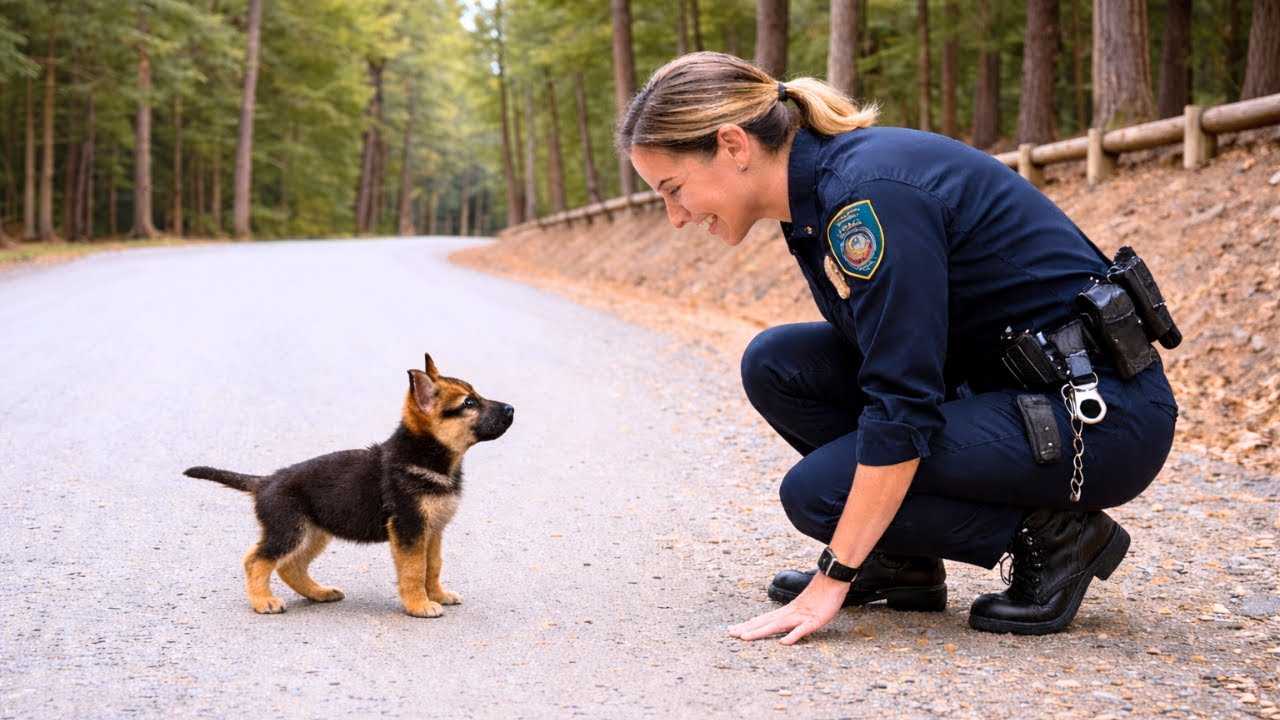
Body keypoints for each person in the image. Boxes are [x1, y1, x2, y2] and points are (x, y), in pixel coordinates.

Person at [617, 52, 1179, 644]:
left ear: (734, 146)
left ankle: (1058, 537)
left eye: (673, 189)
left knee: (818, 495)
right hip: (1007, 389)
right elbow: (894, 358)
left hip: (1098, 417)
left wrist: (835, 572)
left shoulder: (867, 197)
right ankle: (902, 560)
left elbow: (901, 398)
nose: (675, 216)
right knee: (777, 364)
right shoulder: (821, 196)